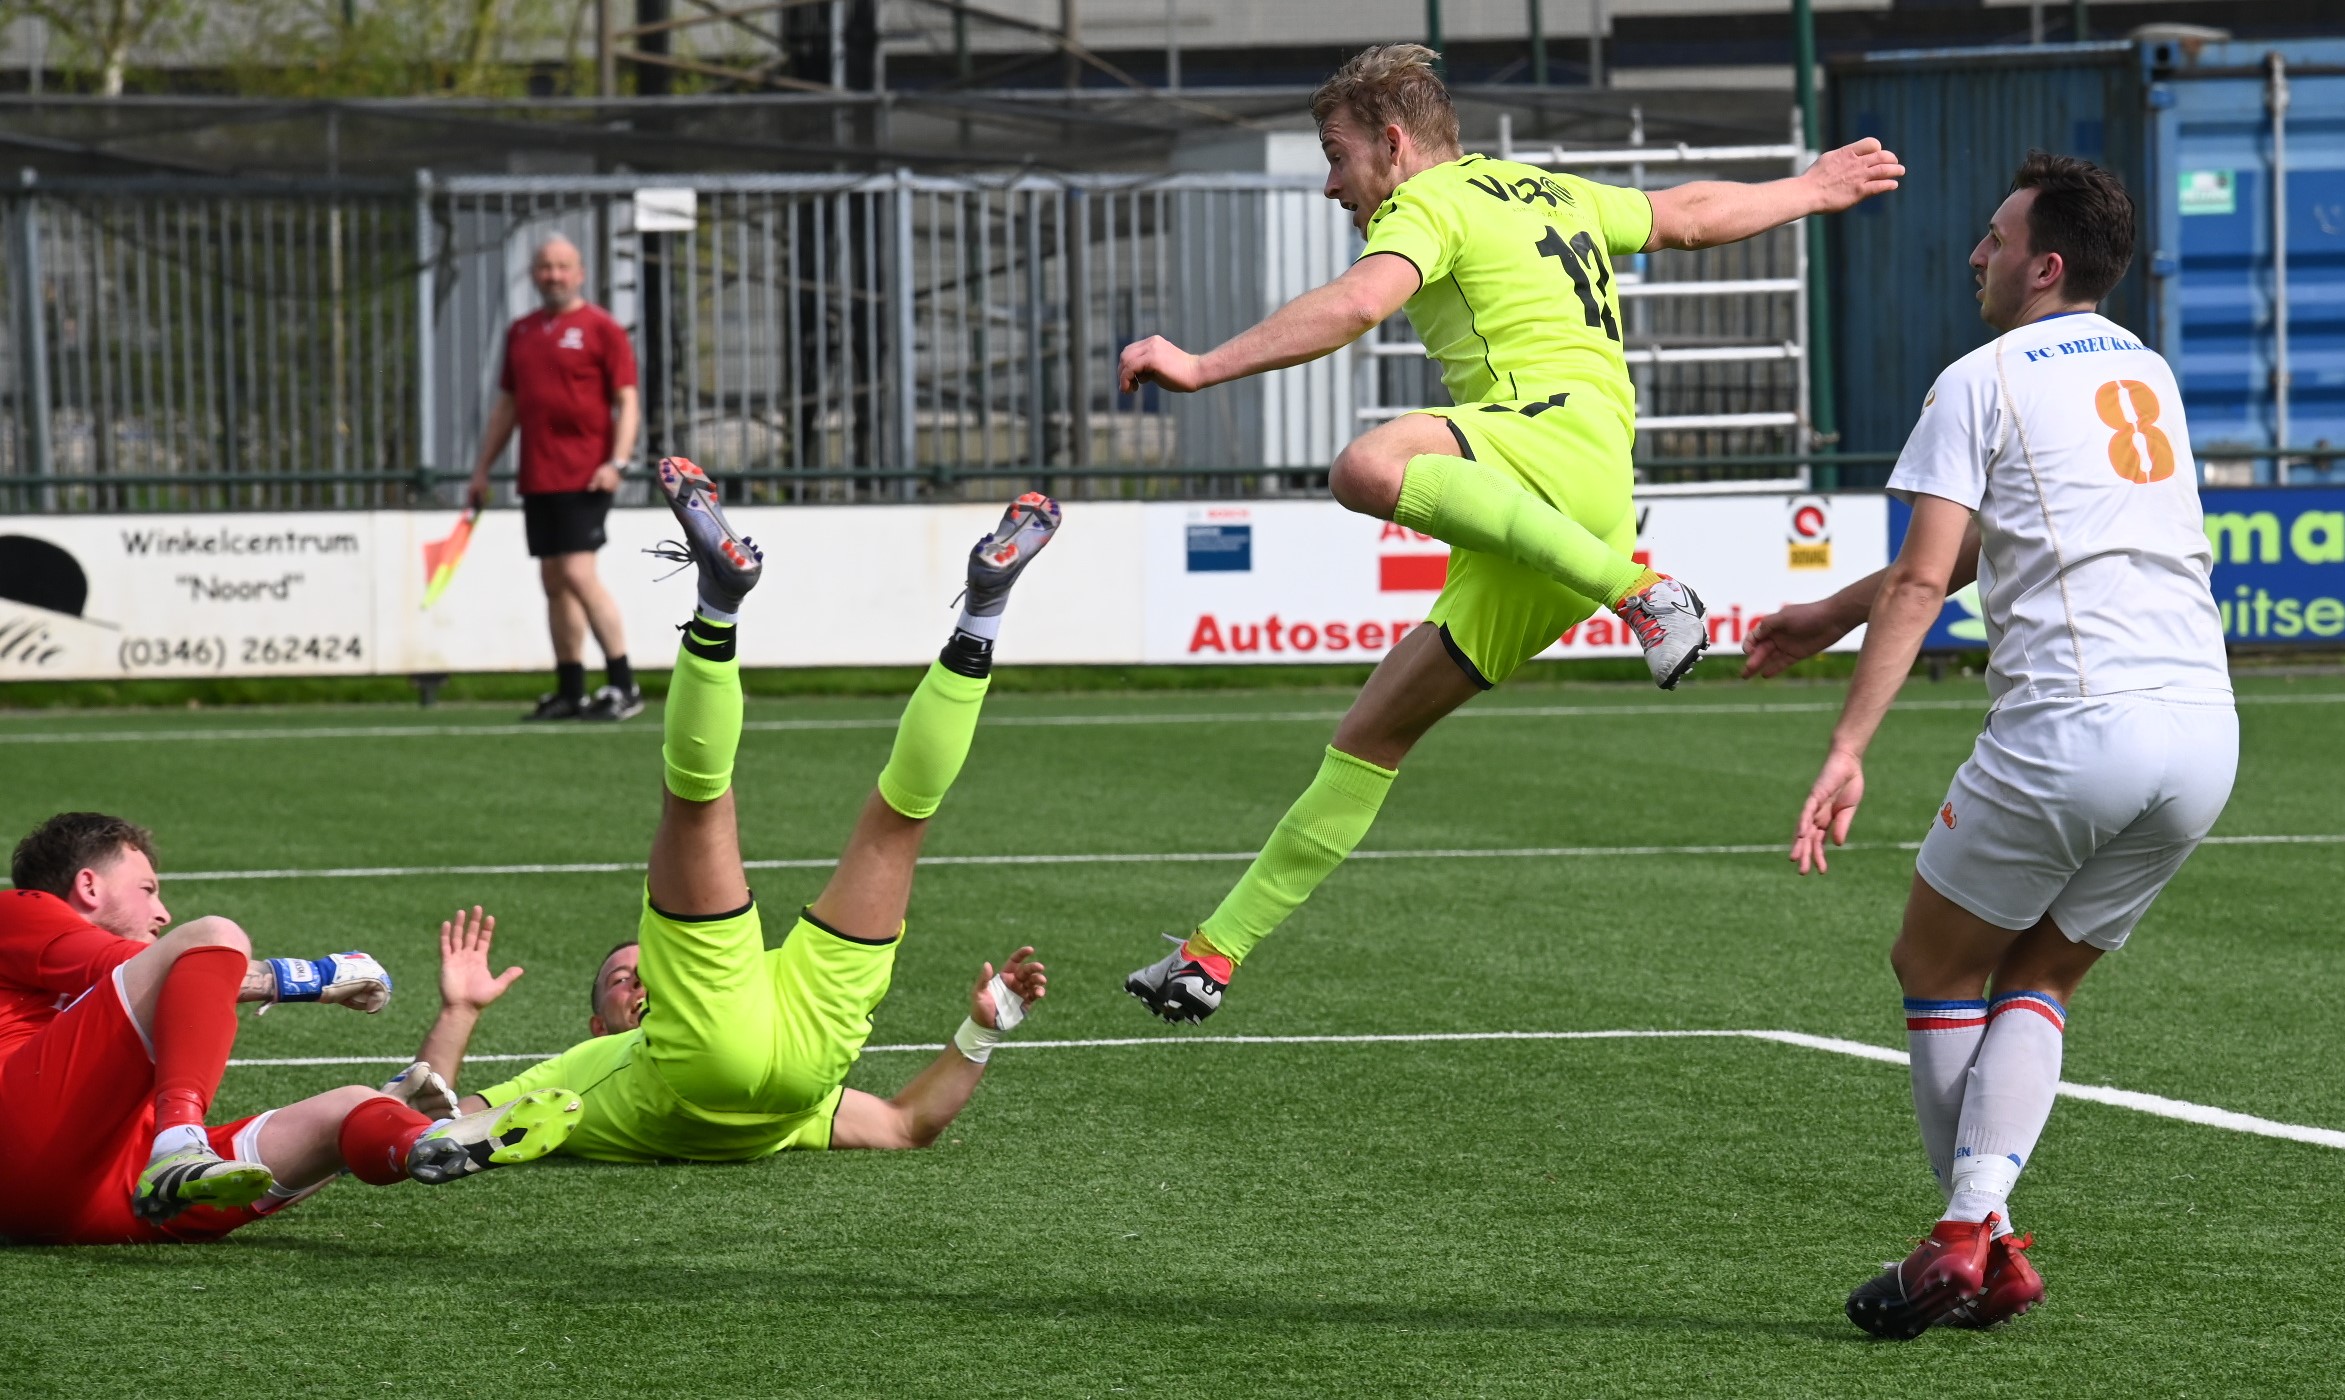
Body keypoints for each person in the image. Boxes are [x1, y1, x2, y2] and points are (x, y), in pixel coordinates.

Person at [1114, 42, 1905, 1022]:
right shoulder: (1546, 189)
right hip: (1577, 505)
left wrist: (1198, 365)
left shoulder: (1426, 205)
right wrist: (1809, 186)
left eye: (1336, 153)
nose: (1331, 184)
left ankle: (1643, 592)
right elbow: (1687, 215)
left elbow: (1359, 302)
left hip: (1541, 453)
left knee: (1366, 467)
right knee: (1371, 735)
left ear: (1393, 144)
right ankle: (1211, 955)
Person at [1744, 152, 2238, 1338]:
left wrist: (1846, 744)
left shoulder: (1982, 375)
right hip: (2203, 734)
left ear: (2042, 263)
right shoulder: (2145, 368)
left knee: (1933, 960)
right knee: (2038, 977)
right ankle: (1992, 1248)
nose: (1975, 252)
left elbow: (1928, 575)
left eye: (1993, 235)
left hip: (2073, 721)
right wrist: (1825, 612)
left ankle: (1965, 1230)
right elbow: (1968, 551)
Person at [411, 457, 1054, 1165]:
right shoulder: (573, 1074)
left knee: (811, 808)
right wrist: (983, 1031)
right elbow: (910, 1124)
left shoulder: (597, 1072)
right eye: (625, 981)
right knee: (866, 819)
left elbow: (903, 1128)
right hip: (776, 1046)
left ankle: (977, 612)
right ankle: (756, 603)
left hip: (777, 1046)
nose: (640, 979)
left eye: (641, 969)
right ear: (600, 1025)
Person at [0, 814, 582, 1246]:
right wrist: (319, 976)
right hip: (22, 1142)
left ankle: (422, 1143)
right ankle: (180, 1143)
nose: (162, 912)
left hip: (110, 1196)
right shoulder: (16, 911)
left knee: (352, 1107)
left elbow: (175, 975)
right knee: (214, 935)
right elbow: (160, 965)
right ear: (88, 886)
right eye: (148, 889)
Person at [466, 234, 645, 723]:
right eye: (545, 267)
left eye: (563, 266)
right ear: (534, 273)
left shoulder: (602, 329)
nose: (554, 275)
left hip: (586, 474)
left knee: (578, 574)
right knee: (553, 581)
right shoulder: (522, 332)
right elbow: (508, 406)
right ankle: (571, 687)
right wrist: (482, 468)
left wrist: (619, 462)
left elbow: (627, 400)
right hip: (537, 475)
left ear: (580, 272)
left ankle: (623, 684)